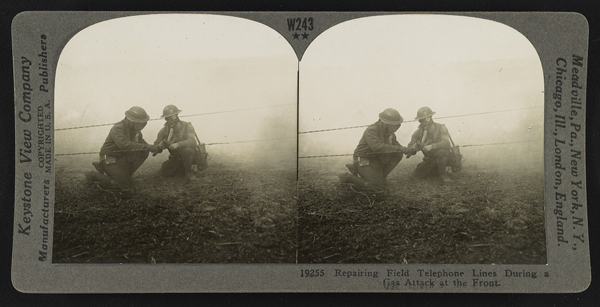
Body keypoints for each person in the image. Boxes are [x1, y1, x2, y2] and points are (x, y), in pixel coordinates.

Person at [85, 106, 158, 187]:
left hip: (121, 157)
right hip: (109, 158)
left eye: (143, 122)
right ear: (132, 121)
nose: (142, 125)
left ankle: (126, 176)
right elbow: (124, 145)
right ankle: (93, 174)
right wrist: (148, 147)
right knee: (121, 184)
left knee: (143, 151)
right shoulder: (118, 128)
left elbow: (142, 143)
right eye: (139, 123)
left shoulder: (135, 130)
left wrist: (155, 147)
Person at [339, 108, 410, 190]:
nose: (395, 127)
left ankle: (382, 178)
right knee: (375, 186)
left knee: (397, 153)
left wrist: (409, 150)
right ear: (385, 123)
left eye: (396, 125)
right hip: (363, 159)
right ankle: (347, 176)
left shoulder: (389, 133)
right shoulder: (372, 130)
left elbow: (395, 145)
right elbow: (377, 147)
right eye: (392, 125)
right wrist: (402, 149)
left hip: (375, 160)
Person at [406, 106, 454, 183]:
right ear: (420, 121)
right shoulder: (417, 133)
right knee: (416, 175)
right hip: (430, 159)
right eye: (422, 119)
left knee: (440, 152)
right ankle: (434, 170)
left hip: (444, 157)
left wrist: (432, 146)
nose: (426, 121)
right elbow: (410, 148)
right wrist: (412, 149)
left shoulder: (441, 127)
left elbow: (446, 143)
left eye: (427, 118)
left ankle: (443, 174)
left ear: (430, 117)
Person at [153, 105, 201, 181]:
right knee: (163, 172)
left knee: (187, 150)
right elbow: (155, 146)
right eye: (167, 118)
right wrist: (159, 146)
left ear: (176, 116)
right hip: (176, 157)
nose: (170, 119)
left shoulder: (187, 125)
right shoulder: (164, 130)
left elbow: (193, 141)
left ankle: (189, 173)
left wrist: (178, 144)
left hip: (191, 156)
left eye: (173, 116)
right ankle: (181, 168)